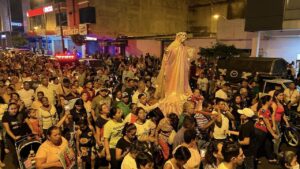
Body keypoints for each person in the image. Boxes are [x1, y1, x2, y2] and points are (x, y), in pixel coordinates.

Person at [155, 32, 196, 116]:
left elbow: (187, 57)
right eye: (183, 36)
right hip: (174, 68)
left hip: (182, 68)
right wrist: (167, 52)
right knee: (174, 80)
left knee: (182, 80)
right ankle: (174, 91)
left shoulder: (183, 47)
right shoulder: (174, 45)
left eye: (185, 36)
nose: (184, 37)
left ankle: (181, 90)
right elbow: (169, 54)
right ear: (178, 36)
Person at [271, 90, 290, 157]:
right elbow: (272, 115)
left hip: (278, 122)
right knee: (278, 139)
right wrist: (273, 126)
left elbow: (282, 114)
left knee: (277, 138)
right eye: (280, 95)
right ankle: (276, 153)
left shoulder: (280, 103)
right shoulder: (274, 104)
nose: (282, 96)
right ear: (275, 96)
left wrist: (287, 122)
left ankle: (274, 150)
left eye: (282, 95)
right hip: (275, 122)